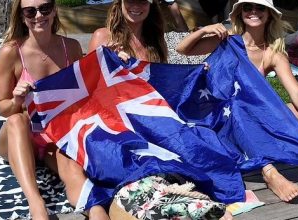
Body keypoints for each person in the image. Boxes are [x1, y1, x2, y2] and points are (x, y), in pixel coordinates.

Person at [176, 0, 298, 202]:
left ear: (269, 14)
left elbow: (296, 92)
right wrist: (204, 30)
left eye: (260, 7)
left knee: (292, 108)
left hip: (253, 116)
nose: (253, 11)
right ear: (240, 14)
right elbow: (182, 49)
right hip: (222, 117)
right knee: (237, 106)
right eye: (247, 7)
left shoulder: (273, 53)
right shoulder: (227, 41)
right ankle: (270, 173)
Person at [88, 1, 233, 219]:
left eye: (143, 1)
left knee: (204, 143)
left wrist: (192, 75)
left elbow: (161, 87)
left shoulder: (155, 42)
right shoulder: (103, 36)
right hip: (117, 125)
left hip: (151, 123)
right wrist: (109, 64)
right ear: (119, 3)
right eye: (131, 1)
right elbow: (89, 91)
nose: (136, 6)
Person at [0, 0, 109, 219]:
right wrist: (17, 99)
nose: (38, 15)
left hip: (54, 136)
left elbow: (87, 94)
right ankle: (36, 204)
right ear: (21, 16)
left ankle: (96, 209)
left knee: (73, 172)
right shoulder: (11, 52)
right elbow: (3, 108)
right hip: (19, 136)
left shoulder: (71, 48)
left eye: (45, 8)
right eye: (30, 11)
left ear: (55, 10)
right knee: (17, 120)